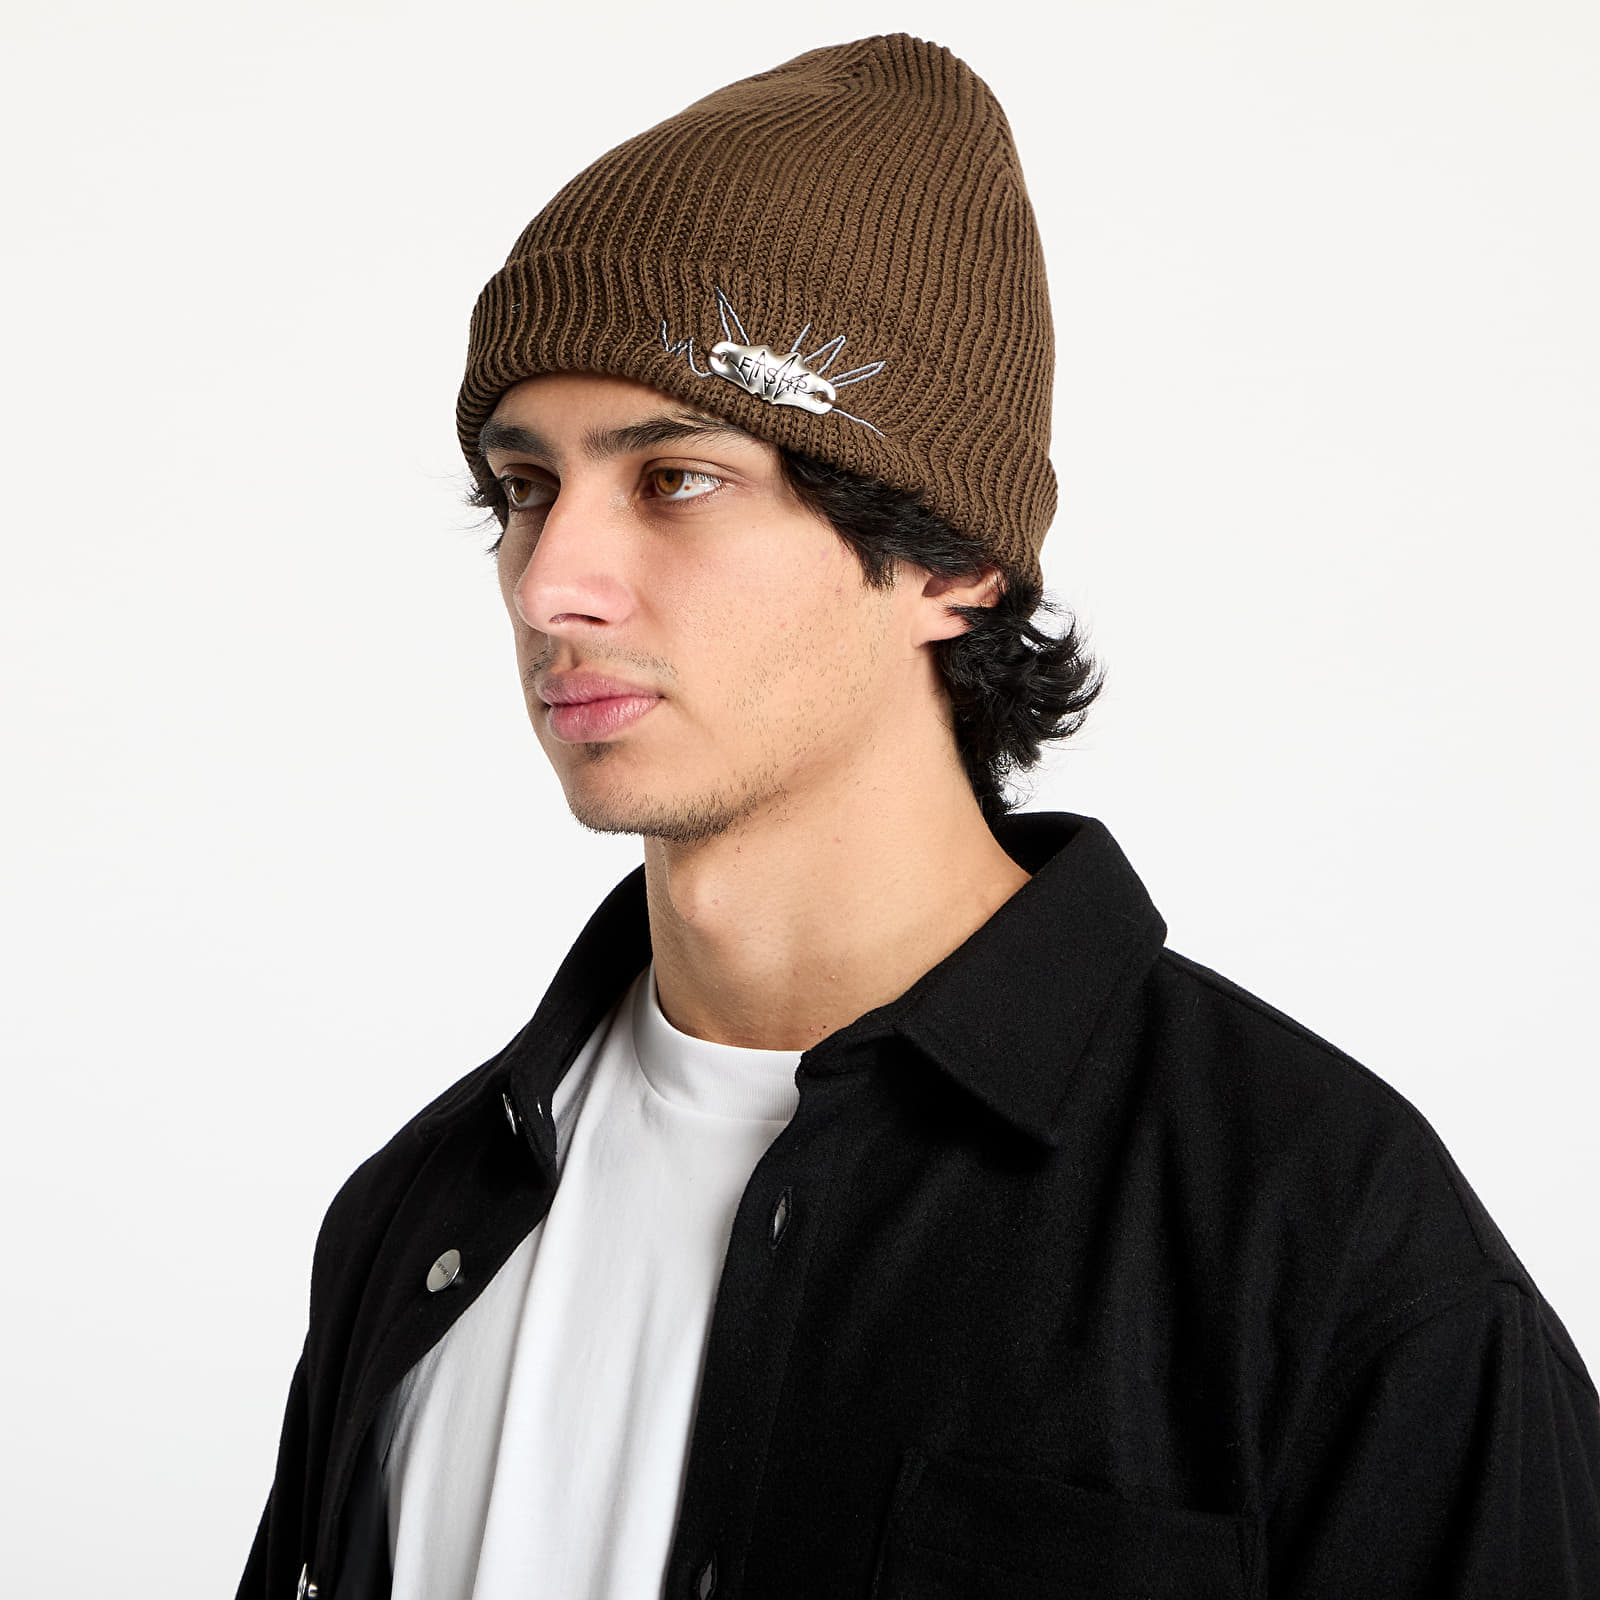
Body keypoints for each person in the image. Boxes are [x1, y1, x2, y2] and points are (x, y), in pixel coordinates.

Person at [238, 33, 1600, 1600]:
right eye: (524, 488)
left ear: (952, 560)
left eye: (675, 479)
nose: (552, 586)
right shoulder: (418, 1219)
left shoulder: (1320, 1239)